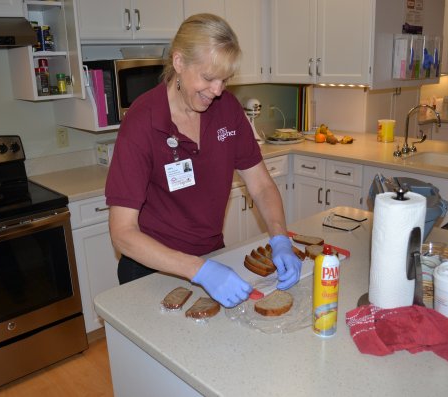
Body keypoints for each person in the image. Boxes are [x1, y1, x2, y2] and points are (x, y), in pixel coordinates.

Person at [105, 13, 301, 308]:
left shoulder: (227, 109)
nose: (218, 90)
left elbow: (260, 185)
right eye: (209, 78)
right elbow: (122, 233)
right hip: (151, 270)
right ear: (179, 62)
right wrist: (199, 270)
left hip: (212, 257)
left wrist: (280, 239)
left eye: (225, 80)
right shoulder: (142, 121)